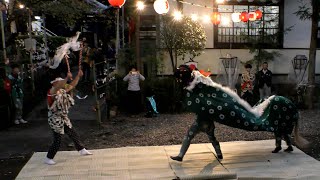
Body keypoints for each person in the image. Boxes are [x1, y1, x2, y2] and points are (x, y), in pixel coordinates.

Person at [45, 70, 92, 165]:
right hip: (55, 118)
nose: (63, 83)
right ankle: (48, 158)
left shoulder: (61, 90)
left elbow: (72, 86)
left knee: (72, 133)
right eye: (60, 82)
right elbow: (59, 86)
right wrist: (66, 78)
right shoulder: (52, 91)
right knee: (58, 139)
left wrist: (78, 76)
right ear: (55, 83)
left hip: (63, 117)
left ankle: (81, 149)